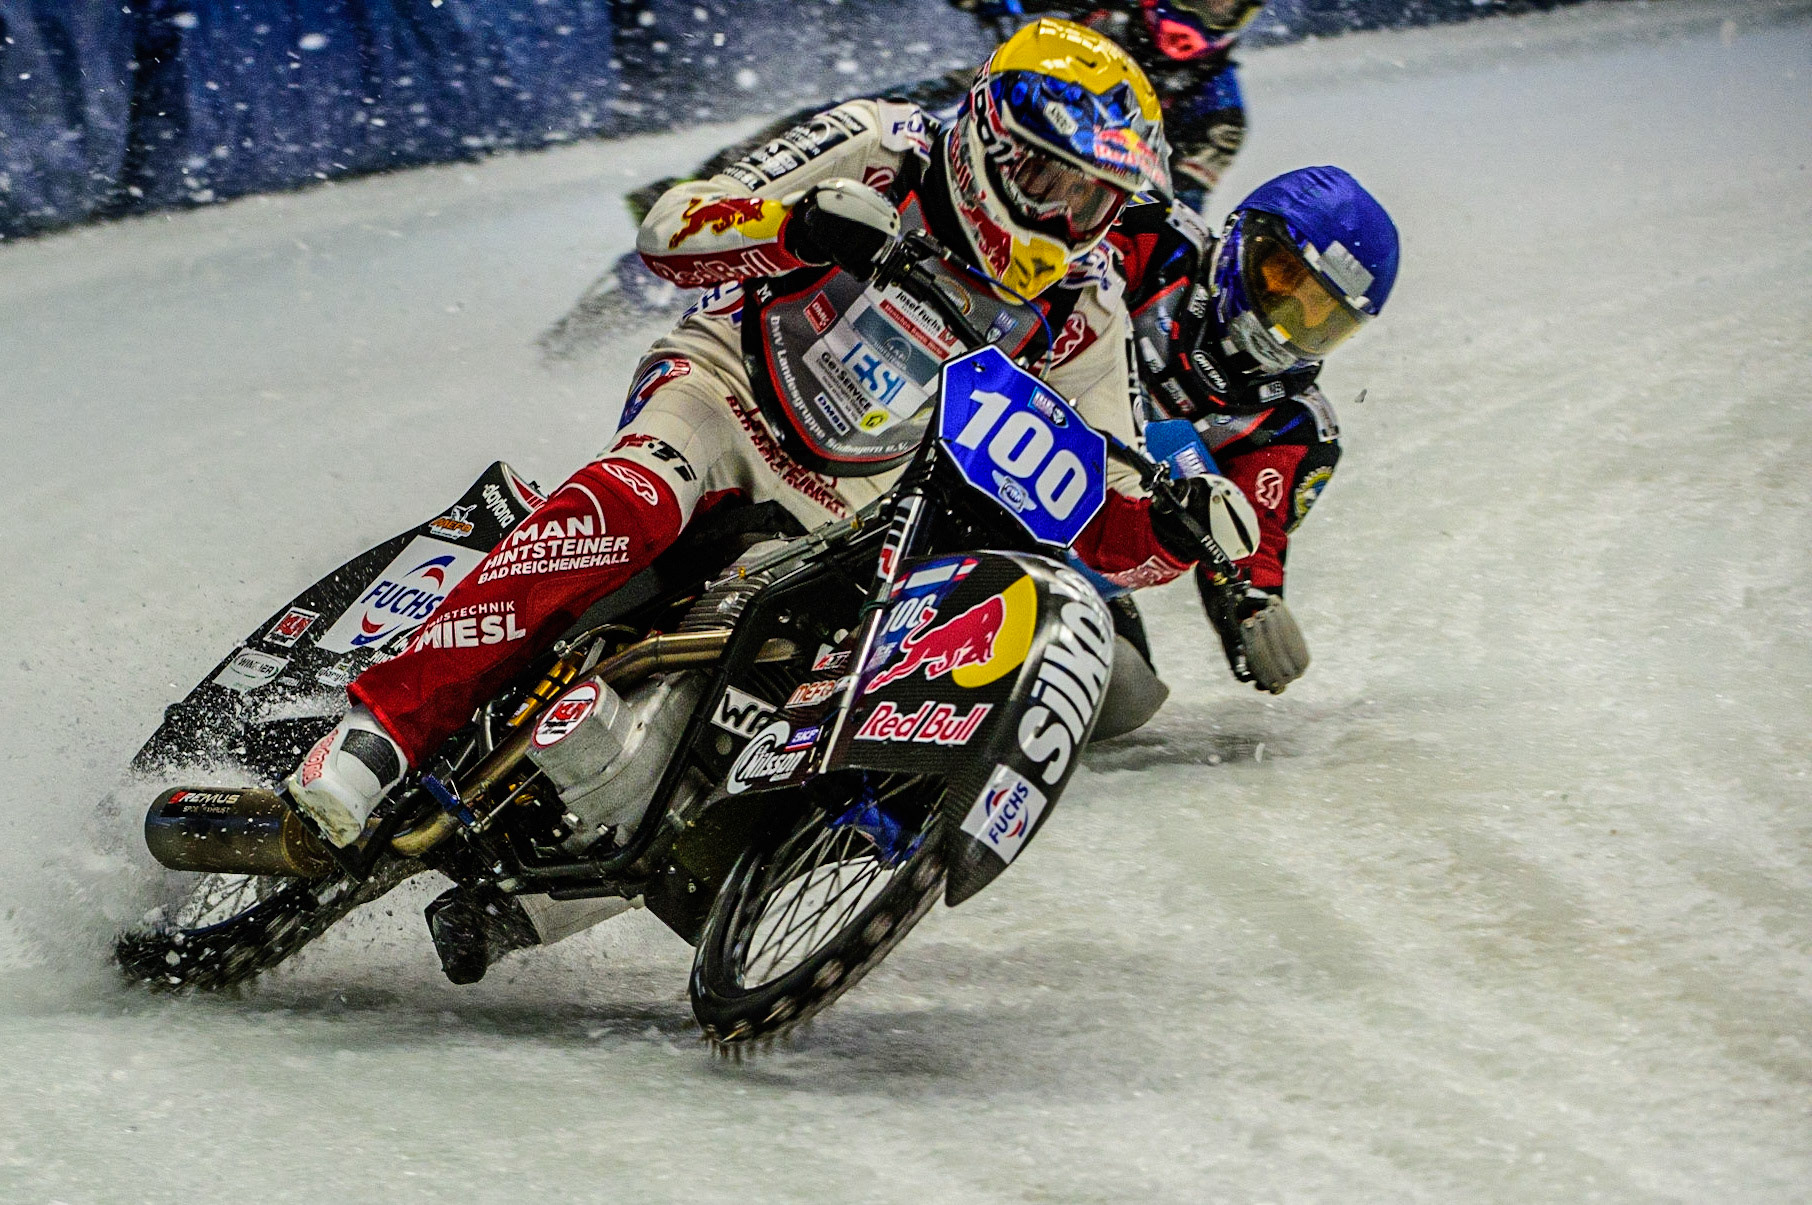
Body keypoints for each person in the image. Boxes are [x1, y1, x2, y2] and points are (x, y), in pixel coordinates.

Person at [284, 20, 1261, 975]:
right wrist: (789, 225)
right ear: (991, 141)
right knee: (631, 501)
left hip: (859, 500)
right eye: (1047, 175)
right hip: (726, 391)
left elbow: (1107, 510)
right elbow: (672, 228)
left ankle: (539, 903)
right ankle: (381, 728)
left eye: (1092, 197)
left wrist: (1178, 529)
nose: (1061, 213)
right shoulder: (882, 143)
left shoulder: (1082, 308)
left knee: (773, 708)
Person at [1108, 164, 1400, 692]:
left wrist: (1252, 610)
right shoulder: (1153, 232)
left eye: (1320, 317)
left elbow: (1250, 544)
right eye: (1284, 280)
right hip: (987, 425)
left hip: (1085, 537)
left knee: (1122, 695)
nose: (1285, 322)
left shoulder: (1297, 428)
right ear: (1244, 235)